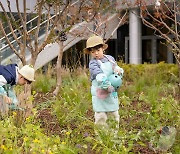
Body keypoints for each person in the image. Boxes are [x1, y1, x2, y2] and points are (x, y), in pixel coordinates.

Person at [84, 35, 124, 135]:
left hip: (111, 93)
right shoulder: (93, 63)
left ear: (102, 48)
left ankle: (113, 135)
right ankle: (101, 137)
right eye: (92, 52)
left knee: (114, 114)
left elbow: (115, 67)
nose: (96, 53)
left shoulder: (110, 58)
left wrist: (118, 71)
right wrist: (105, 83)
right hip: (100, 92)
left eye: (98, 50)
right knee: (101, 115)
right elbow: (98, 74)